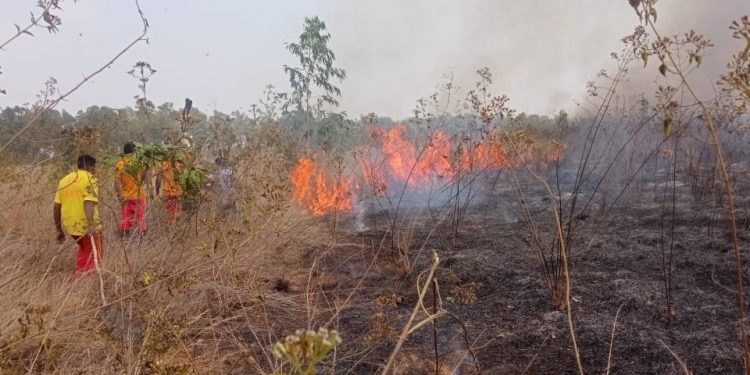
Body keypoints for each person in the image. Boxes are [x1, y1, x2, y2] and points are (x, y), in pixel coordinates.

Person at [53, 154, 103, 279]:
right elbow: (88, 203)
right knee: (95, 254)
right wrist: (90, 225)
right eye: (93, 167)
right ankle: (85, 281)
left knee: (84, 249)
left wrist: (59, 229)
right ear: (89, 166)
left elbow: (56, 206)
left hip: (71, 225)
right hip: (86, 225)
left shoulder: (64, 180)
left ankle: (80, 276)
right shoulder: (90, 178)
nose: (94, 170)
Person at [115, 142, 147, 237]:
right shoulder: (140, 163)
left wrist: (120, 196)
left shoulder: (120, 164)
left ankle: (125, 241)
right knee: (140, 219)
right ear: (134, 152)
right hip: (139, 196)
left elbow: (116, 182)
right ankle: (142, 242)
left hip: (126, 197)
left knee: (126, 220)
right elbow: (145, 178)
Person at [157, 159, 184, 224]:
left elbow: (159, 171)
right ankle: (176, 225)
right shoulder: (180, 164)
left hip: (170, 192)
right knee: (176, 210)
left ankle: (172, 226)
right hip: (177, 192)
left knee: (171, 211)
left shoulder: (164, 164)